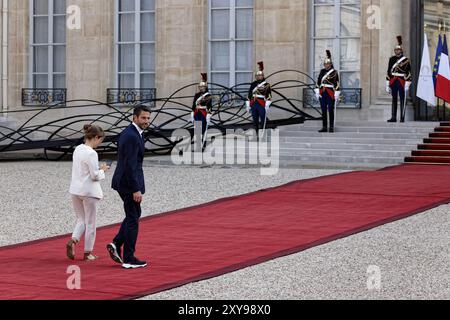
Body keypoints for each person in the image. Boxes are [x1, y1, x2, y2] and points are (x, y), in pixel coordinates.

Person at [107, 106, 151, 269]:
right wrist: (135, 189)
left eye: (148, 118)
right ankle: (129, 257)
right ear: (134, 118)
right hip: (128, 183)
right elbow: (130, 165)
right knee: (133, 217)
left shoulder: (132, 133)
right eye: (143, 118)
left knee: (133, 214)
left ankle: (116, 243)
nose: (146, 121)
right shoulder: (131, 136)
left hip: (125, 181)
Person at [67, 124, 109, 261]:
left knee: (81, 219)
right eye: (100, 140)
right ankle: (87, 252)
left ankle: (73, 240)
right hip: (89, 192)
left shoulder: (78, 149)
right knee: (91, 222)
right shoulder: (92, 153)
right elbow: (94, 176)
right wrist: (103, 170)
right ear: (96, 137)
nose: (99, 143)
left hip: (75, 189)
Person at [386, 35, 412, 123]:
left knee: (402, 99)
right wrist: (387, 83)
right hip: (393, 80)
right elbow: (389, 71)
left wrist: (408, 83)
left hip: (401, 81)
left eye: (398, 50)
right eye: (396, 50)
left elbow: (408, 72)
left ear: (401, 50)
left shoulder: (406, 60)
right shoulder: (392, 59)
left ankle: (402, 117)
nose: (397, 51)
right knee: (394, 99)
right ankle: (393, 117)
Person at [315, 50, 341, 133]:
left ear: (330, 64)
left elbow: (337, 83)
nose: (326, 65)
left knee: (330, 109)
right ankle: (324, 127)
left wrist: (336, 93)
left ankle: (331, 127)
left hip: (330, 92)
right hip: (322, 92)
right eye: (325, 64)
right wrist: (317, 90)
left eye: (328, 64)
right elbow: (318, 81)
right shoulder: (322, 71)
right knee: (323, 110)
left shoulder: (334, 72)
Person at [247, 61, 272, 136]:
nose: (259, 77)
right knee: (255, 120)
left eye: (260, 75)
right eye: (257, 76)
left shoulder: (267, 85)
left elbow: (269, 96)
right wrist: (248, 105)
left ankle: (263, 135)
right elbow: (249, 95)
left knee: (263, 120)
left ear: (263, 76)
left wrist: (267, 105)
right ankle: (256, 134)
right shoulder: (253, 84)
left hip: (261, 103)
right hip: (253, 103)